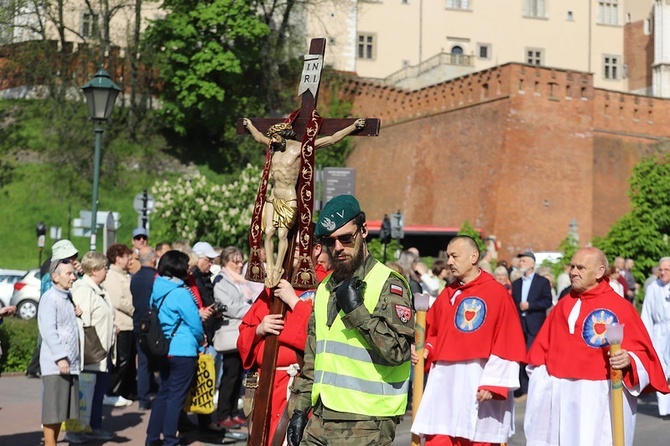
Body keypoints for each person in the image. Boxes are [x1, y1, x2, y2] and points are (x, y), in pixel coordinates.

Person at [286, 194, 414, 446]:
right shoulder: (324, 288)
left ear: (363, 231)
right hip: (321, 418)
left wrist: (358, 312)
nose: (338, 248)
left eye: (346, 238)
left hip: (367, 422)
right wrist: (299, 410)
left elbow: (399, 352)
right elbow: (313, 358)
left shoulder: (389, 283)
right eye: (328, 241)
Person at [524, 247, 670, 446]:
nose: (573, 272)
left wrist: (629, 360)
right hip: (562, 397)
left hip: (602, 395)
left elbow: (643, 353)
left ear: (600, 272)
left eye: (581, 268)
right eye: (573, 266)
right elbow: (540, 356)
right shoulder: (563, 305)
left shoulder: (620, 307)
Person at [411, 236, 526, 445]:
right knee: (439, 435)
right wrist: (426, 348)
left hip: (478, 381)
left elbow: (507, 340)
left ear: (473, 257)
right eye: (448, 257)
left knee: (477, 436)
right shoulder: (448, 294)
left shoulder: (496, 294)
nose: (449, 262)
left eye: (454, 256)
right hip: (445, 383)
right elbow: (434, 332)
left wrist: (494, 383)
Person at [243, 117, 365, 287]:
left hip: (288, 196)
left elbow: (330, 140)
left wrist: (352, 127)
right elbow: (258, 137)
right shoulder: (274, 147)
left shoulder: (299, 148)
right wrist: (249, 126)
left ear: (283, 134)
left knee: (282, 234)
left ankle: (279, 267)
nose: (272, 140)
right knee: (269, 232)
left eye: (275, 137)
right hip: (273, 196)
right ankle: (270, 267)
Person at [237, 242, 329, 445]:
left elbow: (322, 337)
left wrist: (293, 302)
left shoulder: (325, 285)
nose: (294, 250)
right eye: (290, 244)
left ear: (316, 249)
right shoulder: (274, 285)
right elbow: (244, 334)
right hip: (265, 384)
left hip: (298, 385)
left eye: (300, 245)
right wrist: (259, 330)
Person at [146, 250, 205, 446]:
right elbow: (195, 322)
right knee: (176, 398)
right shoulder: (180, 293)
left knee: (164, 393)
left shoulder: (157, 288)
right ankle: (171, 439)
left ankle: (152, 437)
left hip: (164, 347)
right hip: (183, 349)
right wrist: (200, 339)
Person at [68, 251, 116, 443]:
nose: (107, 271)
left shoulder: (98, 289)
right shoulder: (83, 290)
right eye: (105, 268)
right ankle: (76, 430)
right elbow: (82, 323)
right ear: (95, 270)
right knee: (84, 394)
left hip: (101, 352)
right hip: (90, 353)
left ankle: (93, 427)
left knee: (97, 393)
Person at [38, 258, 80, 446]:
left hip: (69, 363)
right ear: (55, 277)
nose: (73, 277)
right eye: (69, 273)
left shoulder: (66, 296)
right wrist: (60, 358)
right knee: (53, 410)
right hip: (57, 365)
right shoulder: (50, 298)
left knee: (61, 410)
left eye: (73, 272)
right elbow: (49, 330)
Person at [213, 246, 255, 429]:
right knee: (229, 376)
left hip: (241, 332)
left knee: (238, 376)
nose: (239, 265)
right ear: (225, 262)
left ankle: (231, 412)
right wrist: (252, 310)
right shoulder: (221, 280)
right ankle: (223, 414)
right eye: (235, 261)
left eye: (240, 261)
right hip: (230, 334)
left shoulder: (239, 281)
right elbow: (230, 306)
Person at [511, 251, 553, 398]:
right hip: (519, 325)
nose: (521, 263)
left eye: (524, 261)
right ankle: (522, 388)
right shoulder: (516, 284)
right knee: (520, 355)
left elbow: (547, 301)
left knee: (532, 356)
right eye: (520, 261)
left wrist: (530, 305)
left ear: (532, 264)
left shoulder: (542, 282)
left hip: (535, 324)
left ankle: (532, 387)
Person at [104, 243, 135, 407]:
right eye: (125, 256)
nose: (128, 259)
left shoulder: (125, 275)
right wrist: (134, 309)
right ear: (117, 258)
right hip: (121, 324)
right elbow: (118, 300)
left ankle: (118, 391)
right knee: (120, 360)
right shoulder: (112, 276)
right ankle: (110, 392)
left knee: (127, 360)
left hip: (128, 324)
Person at [641, 257, 670, 419]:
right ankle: (665, 409)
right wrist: (647, 338)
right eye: (661, 270)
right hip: (659, 332)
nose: (663, 273)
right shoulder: (653, 287)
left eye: (667, 270)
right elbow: (646, 313)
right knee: (662, 369)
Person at [130, 246, 159, 411]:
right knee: (160, 360)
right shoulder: (156, 277)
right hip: (153, 324)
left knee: (143, 362)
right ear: (153, 259)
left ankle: (143, 399)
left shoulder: (135, 277)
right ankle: (161, 393)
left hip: (138, 322)